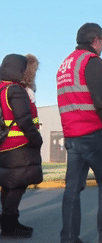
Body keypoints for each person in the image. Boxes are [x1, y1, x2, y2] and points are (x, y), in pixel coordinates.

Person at [57, 23, 102, 243]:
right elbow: (101, 101)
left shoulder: (65, 65)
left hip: (72, 136)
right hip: (93, 133)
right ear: (95, 40)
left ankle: (68, 238)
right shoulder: (91, 61)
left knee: (72, 190)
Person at [0, 53, 43, 238]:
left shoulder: (2, 88)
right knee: (17, 185)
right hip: (19, 146)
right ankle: (10, 223)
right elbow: (24, 120)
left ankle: (9, 220)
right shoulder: (16, 90)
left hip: (5, 146)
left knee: (9, 184)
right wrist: (37, 139)